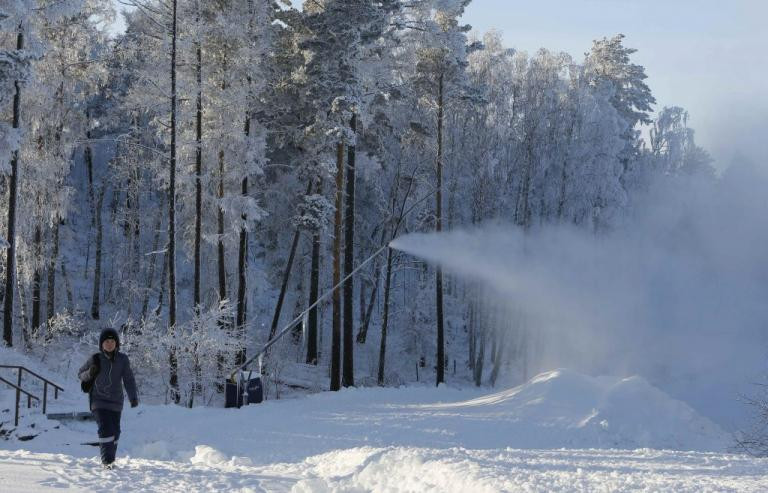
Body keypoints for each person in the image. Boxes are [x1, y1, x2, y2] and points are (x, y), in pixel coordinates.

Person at [78, 328, 139, 468]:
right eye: (107, 341)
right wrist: (90, 372)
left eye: (112, 341)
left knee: (115, 431)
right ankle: (107, 462)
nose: (110, 344)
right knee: (105, 428)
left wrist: (133, 397)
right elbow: (80, 374)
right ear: (101, 344)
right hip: (98, 400)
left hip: (116, 401)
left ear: (117, 343)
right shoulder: (96, 358)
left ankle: (110, 459)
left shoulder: (123, 359)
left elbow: (128, 379)